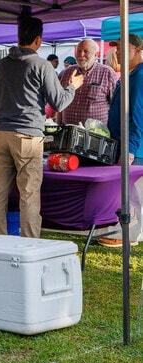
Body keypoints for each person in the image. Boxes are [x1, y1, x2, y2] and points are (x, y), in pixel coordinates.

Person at [0, 17, 83, 238]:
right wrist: (72, 87)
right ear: (39, 39)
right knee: (29, 193)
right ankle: (30, 244)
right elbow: (58, 103)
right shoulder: (42, 65)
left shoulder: (1, 64)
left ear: (18, 38)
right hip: (28, 136)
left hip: (2, 134)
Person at [98, 34, 143, 247]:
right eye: (116, 48)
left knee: (134, 193)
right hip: (123, 143)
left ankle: (129, 235)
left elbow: (138, 115)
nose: (117, 52)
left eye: (123, 48)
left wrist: (131, 149)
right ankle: (124, 231)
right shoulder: (129, 75)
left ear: (138, 50)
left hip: (135, 147)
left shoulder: (140, 76)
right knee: (128, 192)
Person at [57, 39, 118, 126]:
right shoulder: (68, 72)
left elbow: (116, 106)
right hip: (68, 131)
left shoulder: (107, 72)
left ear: (96, 55)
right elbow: (61, 102)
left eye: (86, 51)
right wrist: (58, 125)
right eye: (79, 51)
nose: (81, 55)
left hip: (95, 134)